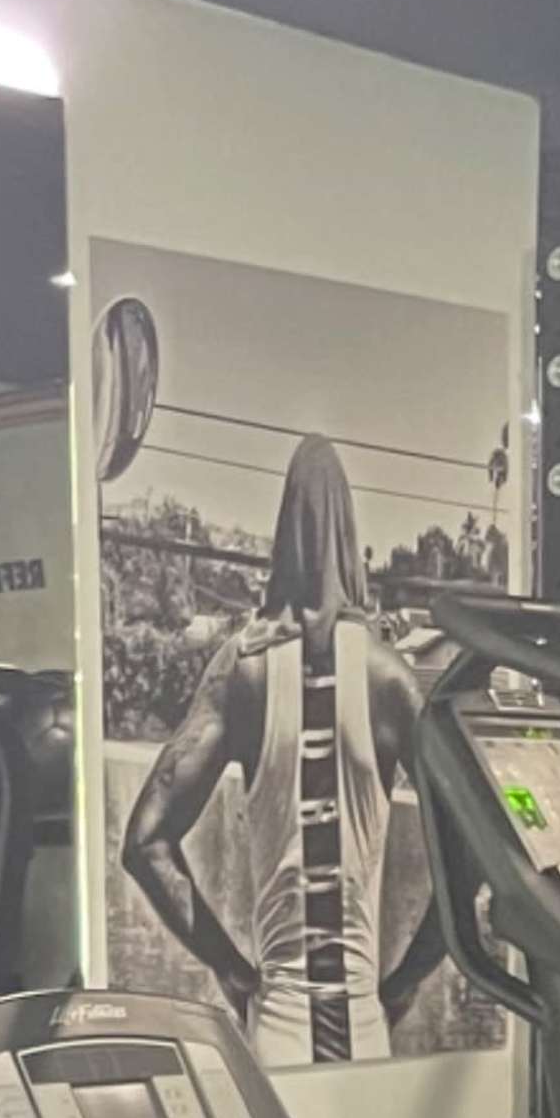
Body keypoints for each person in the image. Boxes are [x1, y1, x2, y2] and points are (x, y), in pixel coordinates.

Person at [118, 433, 437, 1063]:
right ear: (350, 538)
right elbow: (477, 853)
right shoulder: (389, 675)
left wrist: (233, 971)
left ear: (283, 537)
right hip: (365, 1032)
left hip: (278, 1028)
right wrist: (402, 985)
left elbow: (144, 844)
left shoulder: (243, 671)